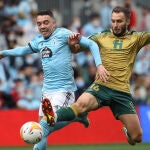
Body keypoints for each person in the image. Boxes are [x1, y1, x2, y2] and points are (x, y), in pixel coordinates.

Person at [0, 10, 109, 150]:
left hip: (64, 90)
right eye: (39, 24)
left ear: (54, 23)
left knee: (43, 126)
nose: (42, 26)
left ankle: (76, 115)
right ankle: (78, 116)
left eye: (46, 22)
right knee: (41, 132)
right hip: (46, 92)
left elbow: (92, 44)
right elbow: (22, 51)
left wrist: (99, 65)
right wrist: (3, 53)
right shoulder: (39, 40)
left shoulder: (64, 34)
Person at [42, 6, 150, 146]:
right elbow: (76, 49)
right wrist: (72, 45)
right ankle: (50, 117)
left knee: (137, 137)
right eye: (113, 21)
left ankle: (128, 132)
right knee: (80, 105)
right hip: (101, 86)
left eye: (119, 21)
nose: (115, 25)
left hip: (121, 92)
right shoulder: (101, 36)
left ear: (128, 21)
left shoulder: (137, 38)